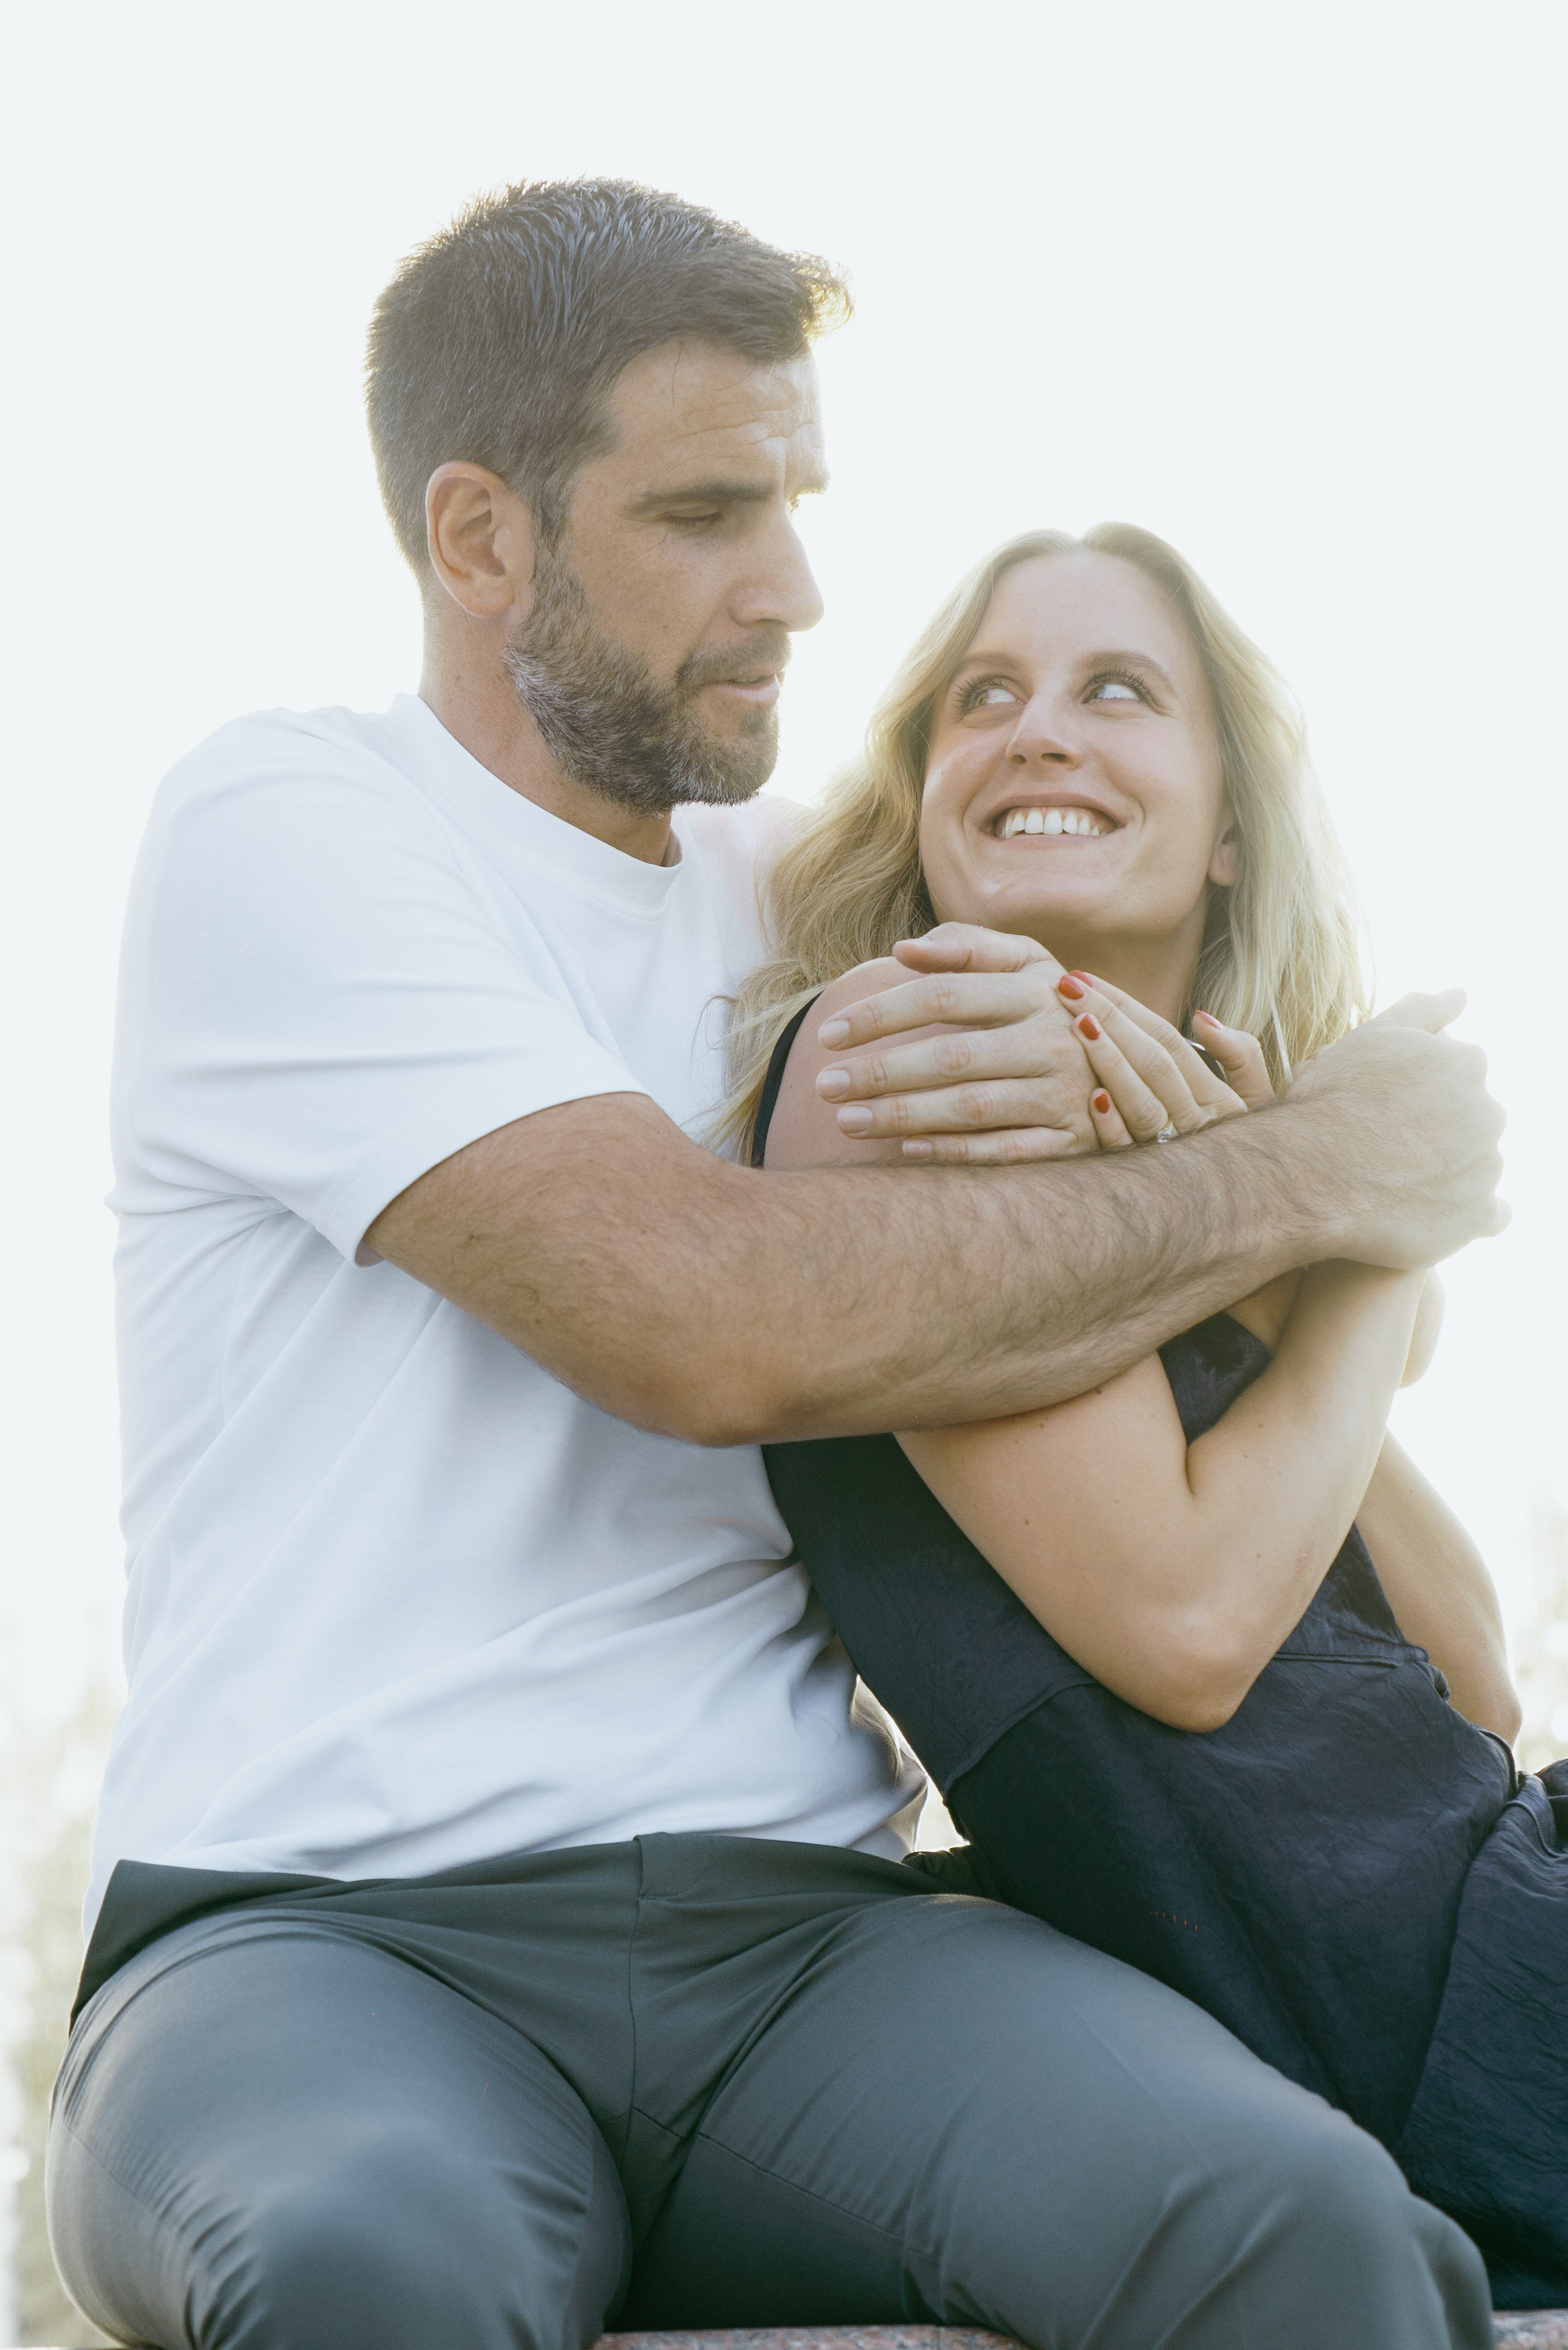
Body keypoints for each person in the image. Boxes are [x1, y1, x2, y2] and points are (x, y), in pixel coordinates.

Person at [48, 181, 1507, 2350]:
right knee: (379, 2271)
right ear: (480, 539)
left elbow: (1117, 1288)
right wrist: (1325, 1175)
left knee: (1303, 2222)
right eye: (712, 511)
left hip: (810, 1942)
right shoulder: (292, 824)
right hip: (313, 1941)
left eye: (800, 501)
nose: (801, 590)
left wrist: (1298, 1210)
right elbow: (703, 1321)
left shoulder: (811, 916)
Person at [741, 521, 1564, 2310]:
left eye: (1118, 690)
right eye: (985, 697)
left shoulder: (1185, 1166)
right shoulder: (922, 1053)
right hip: (1363, 2003)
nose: (1040, 730)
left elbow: (1472, 1680)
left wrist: (1273, 1269)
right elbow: (1188, 1625)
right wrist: (1362, 1258)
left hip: (1482, 1943)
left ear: (1230, 820)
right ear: (926, 792)